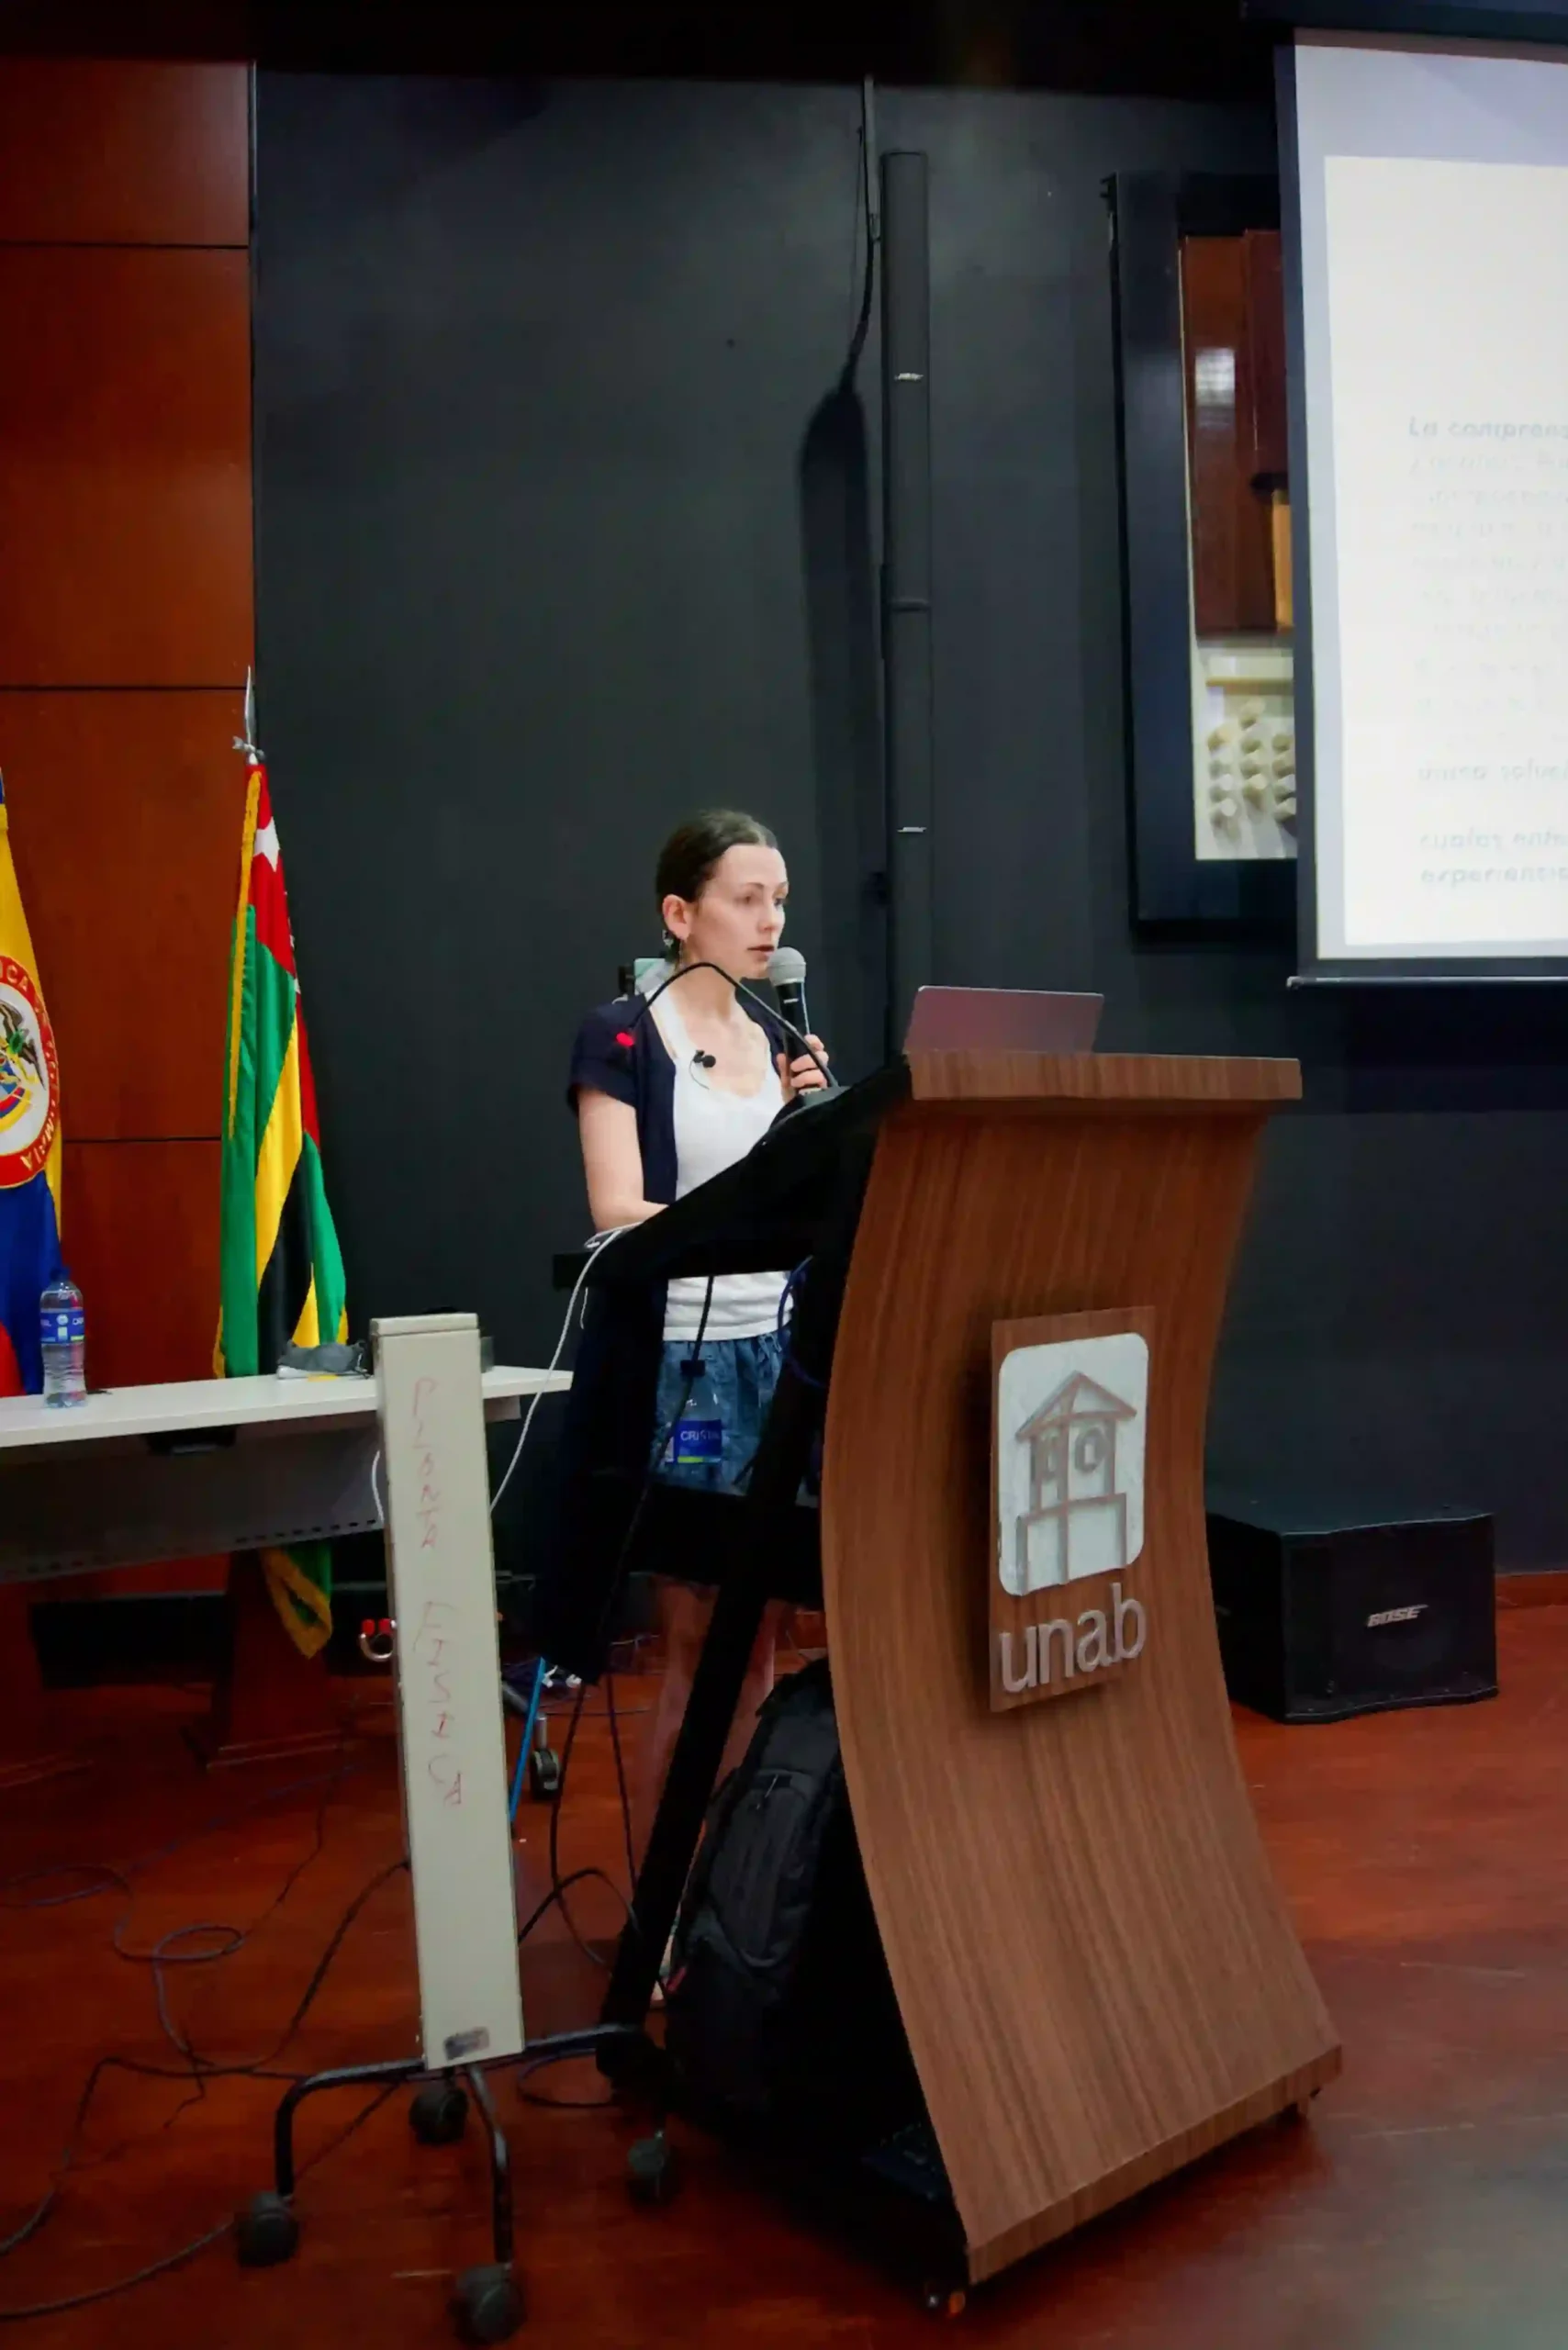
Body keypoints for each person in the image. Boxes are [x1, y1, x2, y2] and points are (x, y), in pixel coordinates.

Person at [566, 810, 829, 1863]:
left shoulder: (782, 1042)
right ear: (680, 914)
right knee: (696, 1637)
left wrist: (824, 1121)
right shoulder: (621, 1034)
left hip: (782, 1354)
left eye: (779, 900)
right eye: (744, 898)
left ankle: (740, 1878)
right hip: (682, 1362)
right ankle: (664, 1893)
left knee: (764, 1630)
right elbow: (615, 1206)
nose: (768, 920)